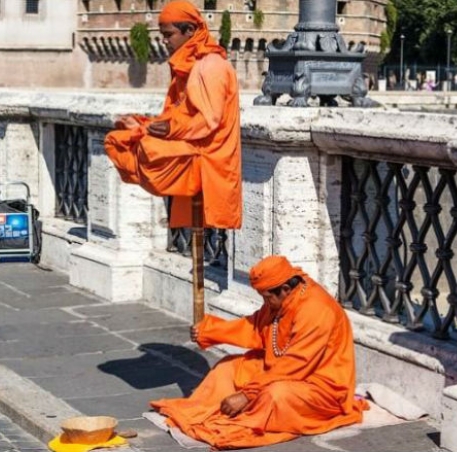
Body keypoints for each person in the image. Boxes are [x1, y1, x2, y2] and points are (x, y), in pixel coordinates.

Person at [151, 255, 369, 449]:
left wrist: (247, 395)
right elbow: (255, 327)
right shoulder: (281, 299)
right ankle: (201, 411)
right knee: (229, 366)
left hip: (321, 389)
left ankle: (243, 420)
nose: (265, 302)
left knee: (276, 395)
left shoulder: (317, 311)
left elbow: (295, 364)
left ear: (285, 288)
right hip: (282, 369)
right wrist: (209, 331)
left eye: (266, 297)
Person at [104, 0, 241, 229]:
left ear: (190, 30)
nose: (164, 41)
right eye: (162, 36)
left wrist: (168, 129)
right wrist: (144, 124)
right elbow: (178, 113)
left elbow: (209, 120)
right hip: (190, 144)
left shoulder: (211, 66)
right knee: (120, 139)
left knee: (141, 148)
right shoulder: (186, 66)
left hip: (207, 154)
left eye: (168, 35)